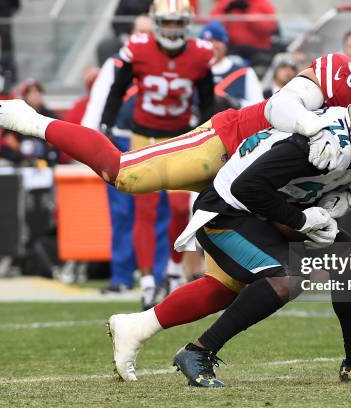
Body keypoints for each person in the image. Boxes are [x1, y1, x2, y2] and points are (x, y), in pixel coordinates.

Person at [0, 52, 351, 378]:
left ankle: (136, 328)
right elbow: (280, 105)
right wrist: (314, 125)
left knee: (232, 287)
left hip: (274, 194)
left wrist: (341, 203)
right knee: (127, 174)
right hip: (234, 148)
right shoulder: (343, 76)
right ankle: (28, 119)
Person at [163, 87, 351, 387]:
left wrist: (340, 202)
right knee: (288, 278)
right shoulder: (324, 143)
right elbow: (246, 188)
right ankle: (198, 351)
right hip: (226, 213)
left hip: (268, 212)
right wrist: (302, 220)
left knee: (348, 257)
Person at [99, 0, 215, 308]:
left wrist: (210, 133)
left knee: (180, 209)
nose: (174, 29)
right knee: (145, 210)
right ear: (157, 23)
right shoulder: (137, 48)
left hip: (180, 138)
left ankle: (174, 272)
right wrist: (106, 123)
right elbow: (117, 88)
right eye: (169, 22)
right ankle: (149, 279)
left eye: (179, 23)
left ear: (187, 25)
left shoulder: (201, 54)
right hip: (144, 137)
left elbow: (207, 101)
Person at [200, 21, 264, 109]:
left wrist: (235, 104)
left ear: (225, 44)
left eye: (218, 41)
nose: (213, 45)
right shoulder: (194, 70)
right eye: (208, 41)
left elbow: (259, 107)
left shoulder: (243, 72)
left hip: (232, 121)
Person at [0, 79, 59, 166]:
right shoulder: (17, 115)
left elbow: (56, 136)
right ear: (25, 96)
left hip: (44, 157)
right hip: (21, 158)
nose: (35, 95)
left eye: (37, 92)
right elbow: (7, 137)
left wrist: (46, 147)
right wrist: (20, 148)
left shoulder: (49, 115)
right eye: (31, 93)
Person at [210, 0, 277, 68]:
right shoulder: (226, 2)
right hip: (231, 49)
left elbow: (268, 28)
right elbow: (211, 26)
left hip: (257, 50)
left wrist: (249, 10)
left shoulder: (262, 3)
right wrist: (226, 10)